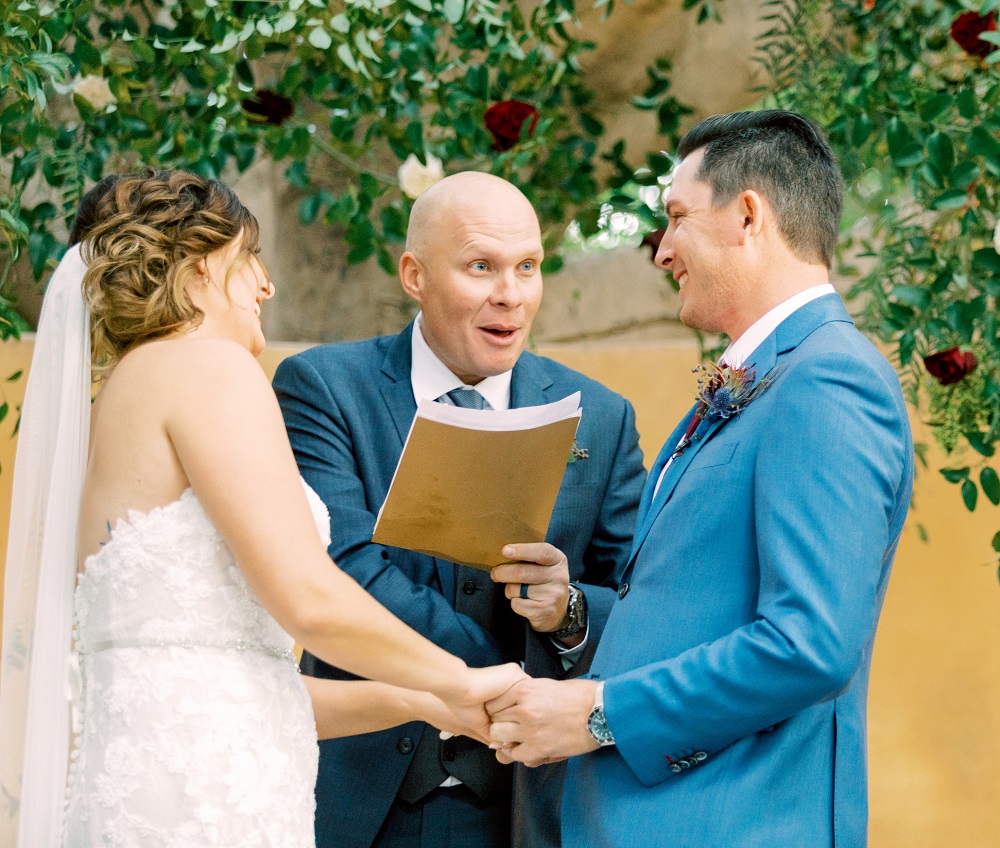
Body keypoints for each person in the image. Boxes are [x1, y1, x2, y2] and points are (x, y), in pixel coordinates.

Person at [0, 171, 525, 847]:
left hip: (146, 794)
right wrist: (461, 678)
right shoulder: (208, 366)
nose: (266, 285)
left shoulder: (122, 400)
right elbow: (308, 597)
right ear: (196, 274)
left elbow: (242, 692)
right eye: (248, 258)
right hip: (207, 805)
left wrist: (426, 702)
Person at [487, 110, 915, 847]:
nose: (663, 251)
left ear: (748, 215)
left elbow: (809, 644)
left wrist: (598, 712)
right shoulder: (768, 377)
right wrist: (574, 613)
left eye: (677, 217)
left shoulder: (829, 380)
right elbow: (693, 611)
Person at [272, 171, 647, 848]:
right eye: (481, 267)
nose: (510, 293)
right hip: (360, 806)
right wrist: (496, 681)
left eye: (527, 267)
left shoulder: (603, 418)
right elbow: (343, 568)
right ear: (414, 275)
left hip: (528, 811)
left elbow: (641, 598)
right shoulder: (323, 387)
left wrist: (569, 612)